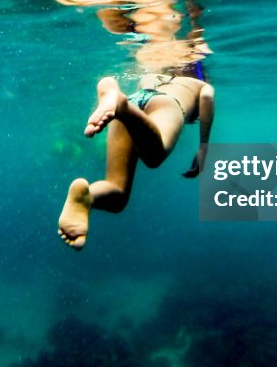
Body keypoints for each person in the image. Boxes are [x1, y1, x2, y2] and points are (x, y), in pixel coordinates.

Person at [58, 62, 215, 249]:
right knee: (154, 157)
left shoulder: (152, 77)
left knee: (118, 193)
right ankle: (121, 105)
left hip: (135, 100)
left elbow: (146, 100)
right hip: (168, 103)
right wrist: (203, 148)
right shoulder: (201, 86)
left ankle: (88, 197)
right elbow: (207, 99)